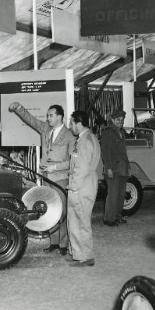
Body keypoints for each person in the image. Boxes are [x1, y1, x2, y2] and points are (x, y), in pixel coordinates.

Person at [8, 102, 74, 255]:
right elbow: (30, 119)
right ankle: (54, 242)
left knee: (62, 211)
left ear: (59, 117)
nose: (48, 118)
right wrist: (18, 108)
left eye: (51, 115)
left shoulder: (70, 135)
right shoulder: (45, 128)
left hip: (60, 178)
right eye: (48, 116)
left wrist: (55, 167)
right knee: (50, 210)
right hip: (46, 178)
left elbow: (72, 161)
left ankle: (64, 244)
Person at [67, 110, 101, 267]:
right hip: (87, 184)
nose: (70, 126)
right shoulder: (90, 137)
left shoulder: (84, 141)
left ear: (78, 123)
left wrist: (73, 187)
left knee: (80, 222)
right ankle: (79, 253)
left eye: (72, 123)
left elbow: (82, 167)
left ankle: (86, 256)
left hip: (81, 187)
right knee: (78, 221)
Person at [100, 109, 130, 226]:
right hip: (112, 168)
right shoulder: (108, 132)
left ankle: (117, 216)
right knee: (113, 194)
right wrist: (108, 168)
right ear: (112, 120)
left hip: (122, 168)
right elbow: (105, 152)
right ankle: (109, 219)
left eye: (122, 120)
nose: (120, 122)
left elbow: (123, 152)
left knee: (121, 194)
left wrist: (127, 167)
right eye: (118, 120)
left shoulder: (121, 132)